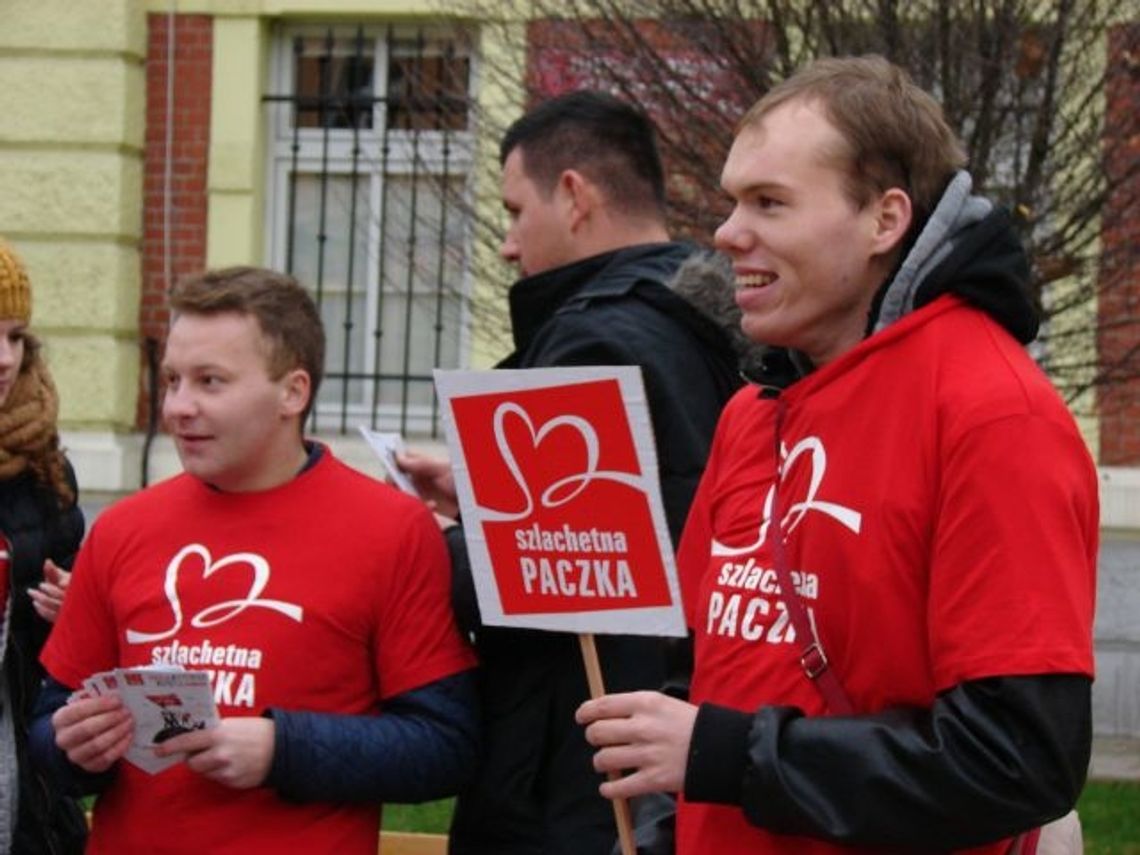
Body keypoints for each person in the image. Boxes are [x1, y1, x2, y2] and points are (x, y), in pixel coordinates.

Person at [577, 55, 1098, 854]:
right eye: (731, 201)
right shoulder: (754, 410)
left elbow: (1017, 759)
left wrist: (726, 755)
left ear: (884, 221)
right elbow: (703, 675)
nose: (726, 233)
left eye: (770, 203)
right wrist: (660, 825)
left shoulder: (994, 413)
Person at [397, 91, 744, 855]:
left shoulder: (591, 342)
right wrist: (480, 495)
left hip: (573, 757)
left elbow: (541, 570)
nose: (508, 245)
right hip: (670, 718)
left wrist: (422, 545)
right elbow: (651, 506)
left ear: (575, 195)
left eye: (516, 212)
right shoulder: (712, 326)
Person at [29, 266, 479, 854]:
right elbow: (48, 722)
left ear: (293, 392)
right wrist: (72, 748)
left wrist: (281, 749)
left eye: (210, 382)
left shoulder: (392, 530)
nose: (179, 407)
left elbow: (446, 744)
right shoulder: (122, 528)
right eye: (172, 380)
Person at [0, 238, 88, 854]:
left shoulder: (42, 466)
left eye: (14, 336)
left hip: (18, 793)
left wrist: (73, 613)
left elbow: (63, 671)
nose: (5, 358)